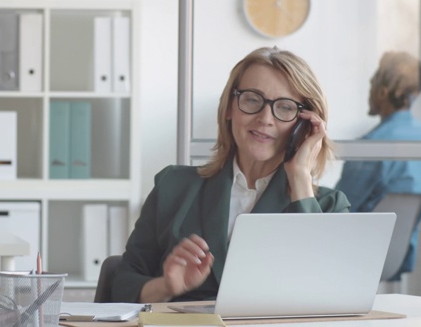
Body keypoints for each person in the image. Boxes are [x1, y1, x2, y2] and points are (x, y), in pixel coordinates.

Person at [112, 46, 350, 303]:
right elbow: (122, 284)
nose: (265, 118)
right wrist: (167, 286)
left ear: (304, 125)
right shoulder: (174, 186)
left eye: (285, 107)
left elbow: (330, 297)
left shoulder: (330, 208)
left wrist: (300, 176)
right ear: (229, 108)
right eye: (252, 99)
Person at [335, 51, 421, 281]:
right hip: (396, 257)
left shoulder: (373, 145)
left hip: (354, 257)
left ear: (383, 91)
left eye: (373, 80)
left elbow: (339, 211)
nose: (370, 87)